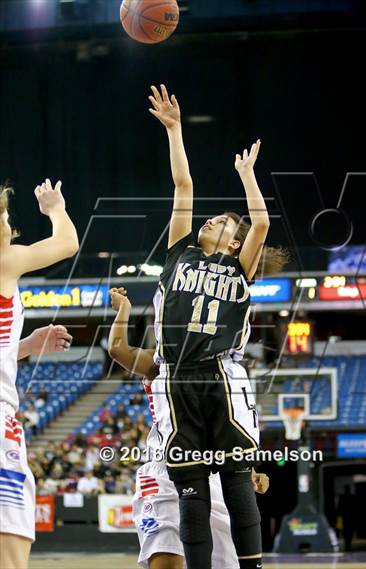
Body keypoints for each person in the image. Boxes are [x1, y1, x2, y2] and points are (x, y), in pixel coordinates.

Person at [146, 84, 286, 569]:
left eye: (222, 221)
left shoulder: (239, 266)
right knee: (190, 484)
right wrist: (175, 130)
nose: (210, 219)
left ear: (233, 240)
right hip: (174, 376)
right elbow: (183, 186)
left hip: (223, 373)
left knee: (235, 476)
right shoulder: (178, 253)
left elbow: (262, 224)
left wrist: (247, 176)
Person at [108, 287, 270, 569]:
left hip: (215, 474)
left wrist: (250, 470)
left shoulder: (222, 368)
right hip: (165, 472)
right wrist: (123, 309)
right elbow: (117, 349)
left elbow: (227, 428)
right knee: (167, 563)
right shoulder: (161, 362)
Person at [0, 180, 78, 569]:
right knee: (10, 550)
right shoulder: (4, 261)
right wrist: (55, 210)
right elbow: (67, 243)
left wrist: (25, 346)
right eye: (4, 215)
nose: (8, 222)